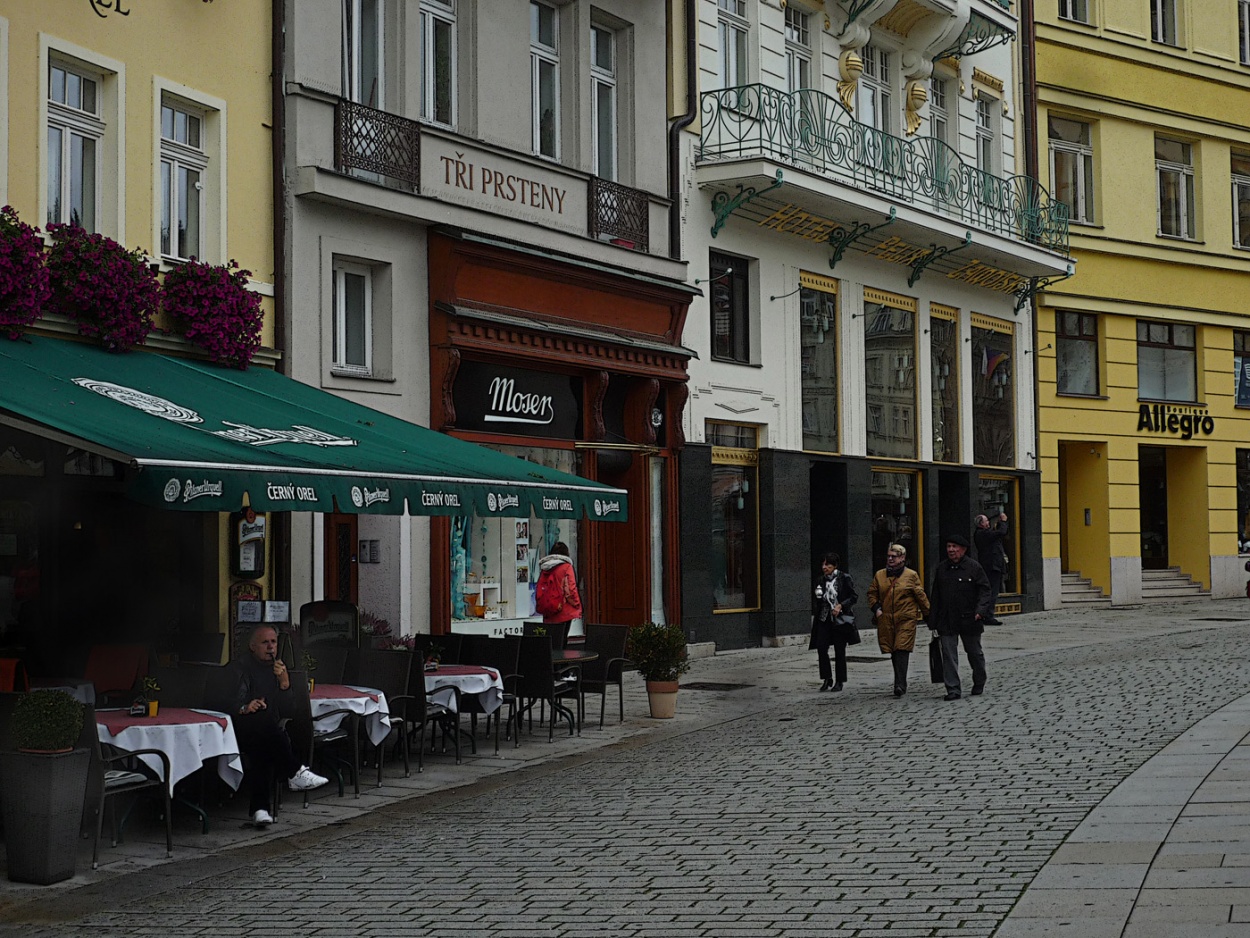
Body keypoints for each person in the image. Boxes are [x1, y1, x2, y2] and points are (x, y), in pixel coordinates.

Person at [219, 625, 328, 827]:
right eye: (265, 642)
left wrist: (284, 684)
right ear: (253, 646)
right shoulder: (237, 668)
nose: (270, 647)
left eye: (274, 642)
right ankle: (295, 772)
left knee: (264, 742)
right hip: (236, 727)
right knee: (263, 726)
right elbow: (217, 701)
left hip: (265, 731)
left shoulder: (277, 669)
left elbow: (290, 711)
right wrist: (244, 707)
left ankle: (260, 810)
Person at [928, 534, 992, 701]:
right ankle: (953, 689)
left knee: (974, 653)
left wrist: (980, 610)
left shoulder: (974, 567)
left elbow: (985, 590)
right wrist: (932, 620)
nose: (951, 550)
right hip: (947, 619)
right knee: (948, 655)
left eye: (954, 547)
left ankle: (979, 680)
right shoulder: (942, 568)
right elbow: (936, 595)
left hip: (970, 618)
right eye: (949, 546)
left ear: (963, 550)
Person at [867, 543, 930, 698]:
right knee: (893, 650)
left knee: (902, 648)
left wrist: (929, 615)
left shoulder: (911, 575)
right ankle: (899, 680)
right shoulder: (880, 575)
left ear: (902, 558)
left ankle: (899, 684)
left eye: (893, 556)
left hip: (906, 618)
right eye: (888, 556)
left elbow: (920, 596)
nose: (890, 559)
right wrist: (876, 609)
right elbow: (872, 594)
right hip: (886, 618)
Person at [807, 553, 858, 692]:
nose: (825, 567)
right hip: (824, 618)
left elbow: (853, 597)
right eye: (823, 564)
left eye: (828, 565)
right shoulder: (820, 580)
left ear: (834, 566)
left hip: (839, 619)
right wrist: (819, 596)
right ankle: (826, 678)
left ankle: (840, 680)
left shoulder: (844, 578)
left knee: (839, 650)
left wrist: (841, 605)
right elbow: (818, 598)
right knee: (821, 648)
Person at [535, 541, 582, 646]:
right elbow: (570, 589)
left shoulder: (545, 568)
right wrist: (577, 605)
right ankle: (562, 661)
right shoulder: (566, 567)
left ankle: (553, 661)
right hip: (563, 610)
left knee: (552, 642)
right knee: (562, 641)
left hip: (548, 609)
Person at [973, 512, 1009, 624]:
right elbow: (1001, 533)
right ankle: (987, 615)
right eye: (986, 521)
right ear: (981, 524)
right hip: (991, 566)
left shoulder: (984, 534)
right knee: (992, 592)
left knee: (990, 591)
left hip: (992, 565)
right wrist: (1003, 521)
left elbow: (996, 534)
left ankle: (984, 614)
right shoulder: (982, 534)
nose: (988, 523)